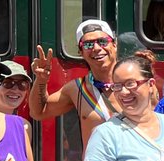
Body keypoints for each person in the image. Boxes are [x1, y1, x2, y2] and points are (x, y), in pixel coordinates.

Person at [28, 18, 119, 148]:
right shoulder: (77, 89)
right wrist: (41, 80)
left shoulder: (136, 83)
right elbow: (38, 112)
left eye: (103, 41)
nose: (97, 48)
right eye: (88, 44)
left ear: (114, 45)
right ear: (80, 52)